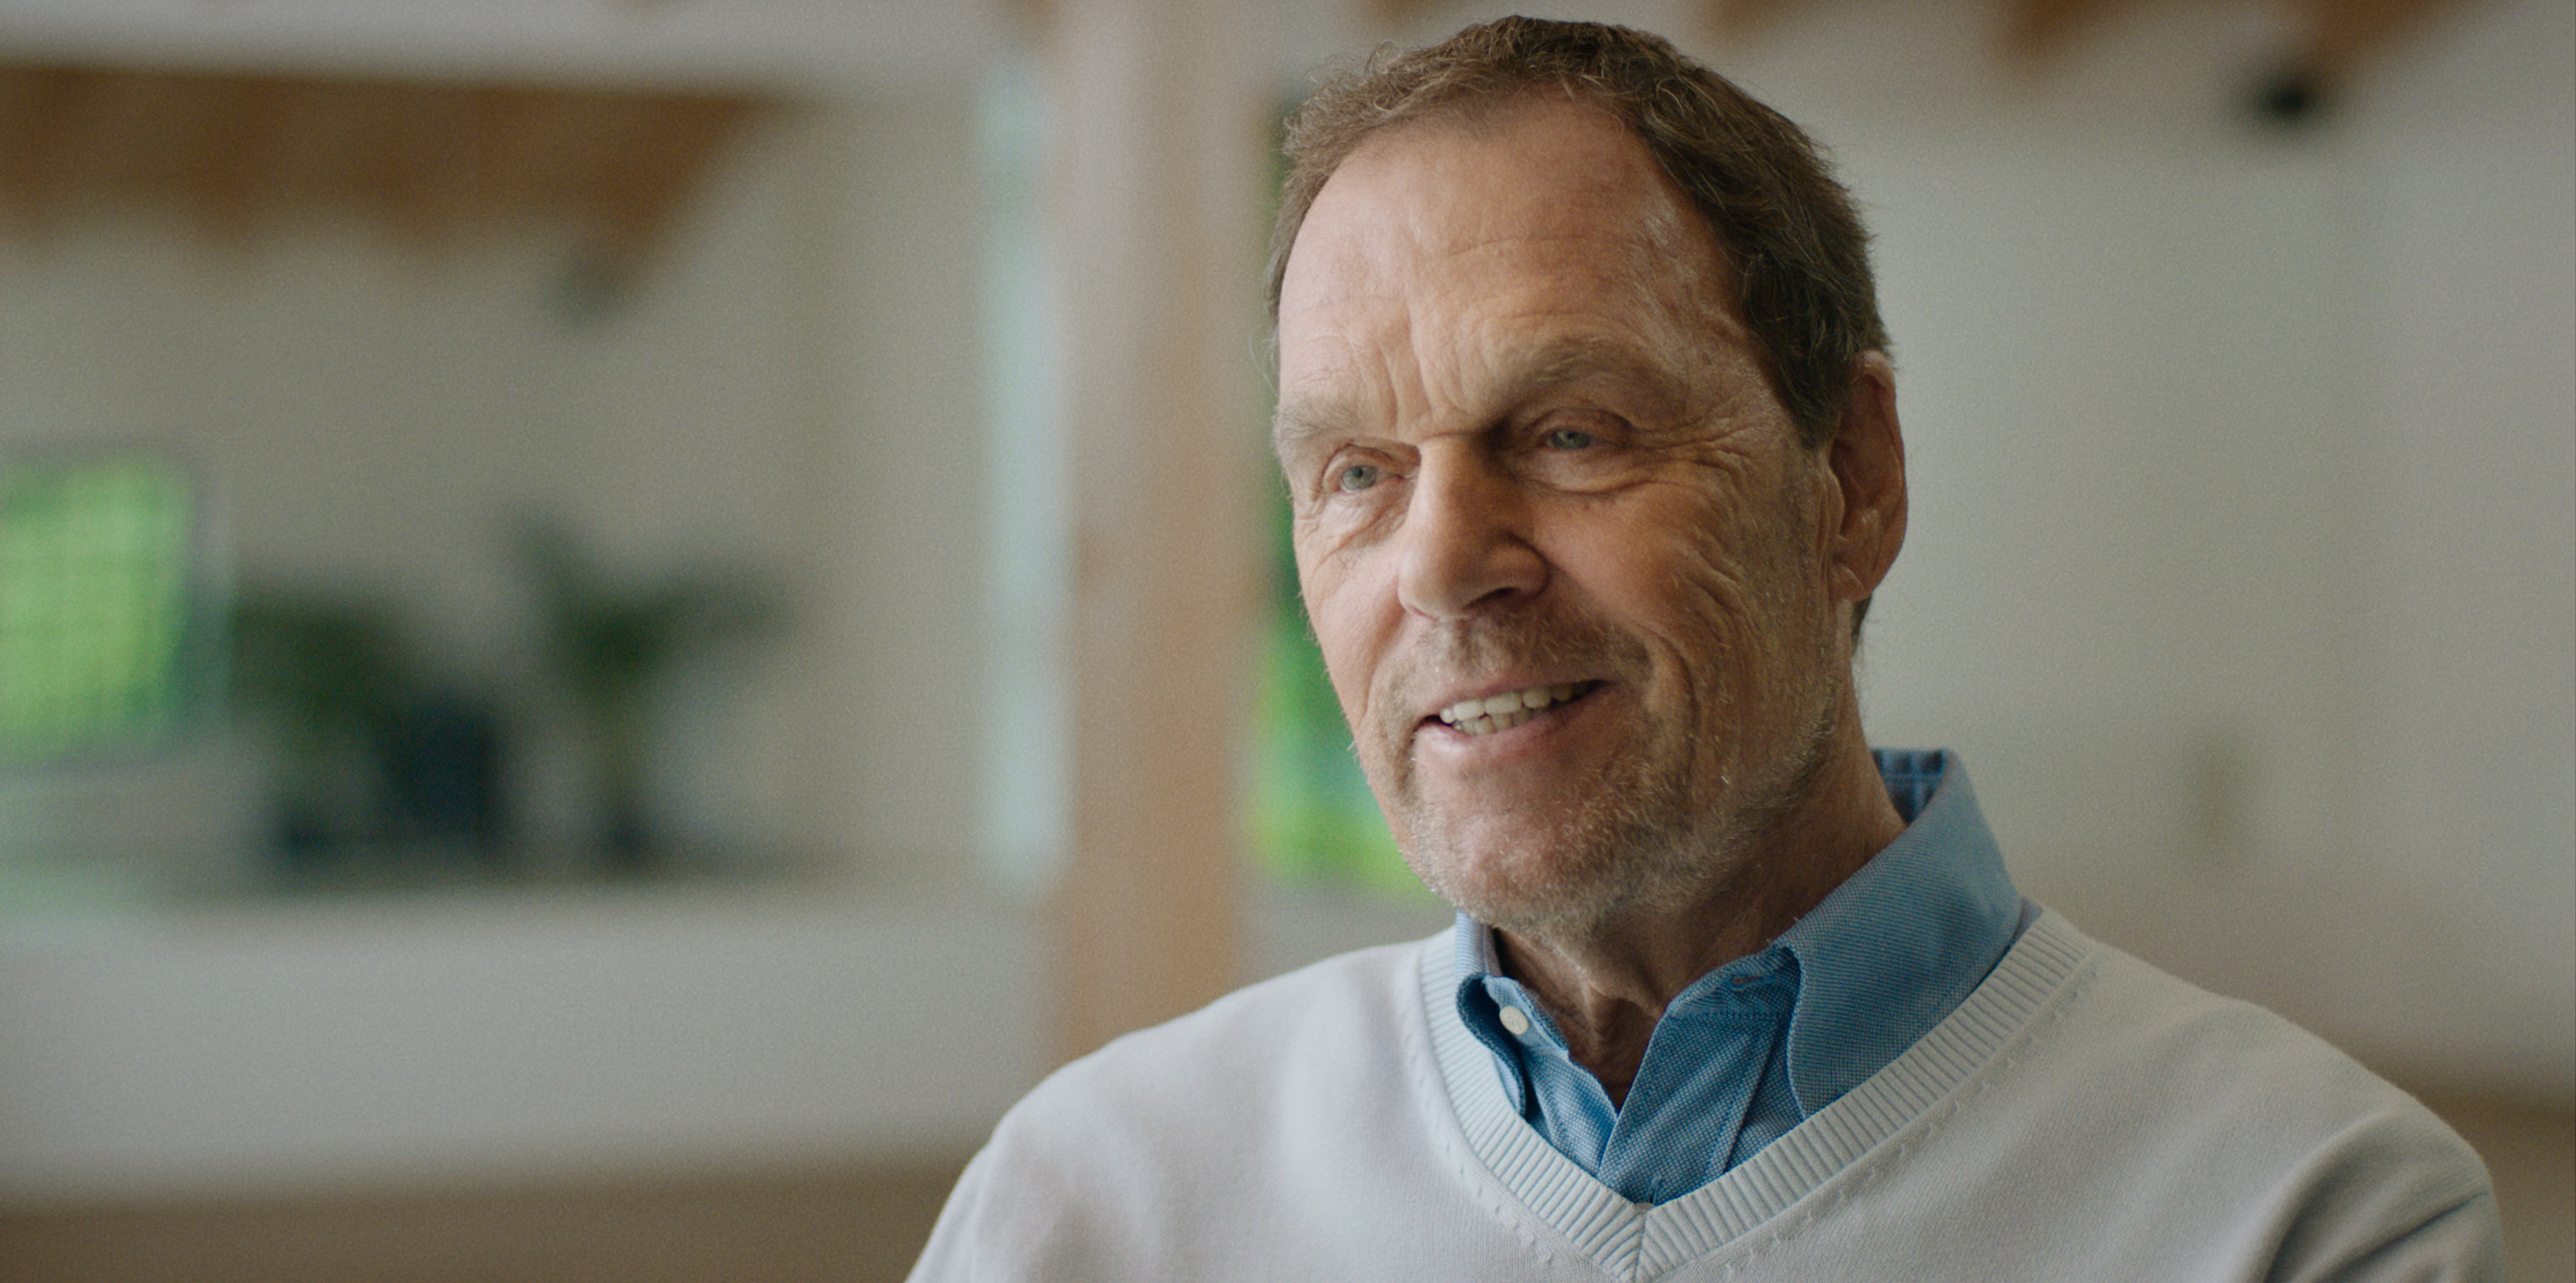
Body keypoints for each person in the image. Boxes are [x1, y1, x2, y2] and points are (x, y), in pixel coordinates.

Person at [910, 17, 2500, 1280]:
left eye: (1571, 430)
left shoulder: (2306, 1212)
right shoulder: (1093, 1201)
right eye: (1358, 475)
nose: (1442, 564)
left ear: (1851, 477)